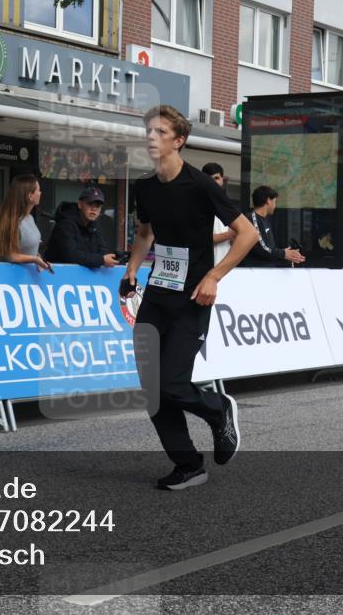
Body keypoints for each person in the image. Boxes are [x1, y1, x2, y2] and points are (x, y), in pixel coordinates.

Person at [121, 105, 259, 491]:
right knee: (152, 387)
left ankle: (218, 410)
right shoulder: (146, 187)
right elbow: (146, 232)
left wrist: (214, 276)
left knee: (172, 383)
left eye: (160, 132)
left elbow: (247, 234)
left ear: (178, 141)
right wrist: (132, 268)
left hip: (193, 298)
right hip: (157, 294)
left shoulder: (201, 185)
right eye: (148, 130)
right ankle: (187, 464)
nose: (151, 137)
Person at [44, 186, 119, 268]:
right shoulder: (65, 224)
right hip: (55, 276)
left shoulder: (94, 225)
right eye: (90, 204)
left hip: (80, 278)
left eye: (97, 206)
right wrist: (101, 260)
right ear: (80, 204)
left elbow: (102, 251)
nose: (93, 209)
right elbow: (70, 256)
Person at [0, 174, 51, 272]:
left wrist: (41, 260)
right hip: (8, 278)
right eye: (38, 190)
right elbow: (10, 256)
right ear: (30, 196)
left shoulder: (30, 218)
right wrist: (34, 259)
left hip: (26, 278)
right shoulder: (11, 221)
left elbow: (30, 249)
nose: (40, 193)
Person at [241, 186, 306, 267]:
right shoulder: (252, 218)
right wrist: (283, 253)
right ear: (268, 201)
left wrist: (286, 254)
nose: (275, 205)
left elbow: (269, 249)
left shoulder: (264, 219)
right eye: (274, 201)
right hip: (256, 271)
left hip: (266, 269)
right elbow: (263, 249)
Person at [203, 163, 235, 263]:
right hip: (206, 270)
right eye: (209, 179)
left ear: (223, 180)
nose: (213, 182)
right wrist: (231, 234)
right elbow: (201, 239)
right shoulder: (198, 206)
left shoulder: (228, 206)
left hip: (225, 269)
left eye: (216, 178)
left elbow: (233, 242)